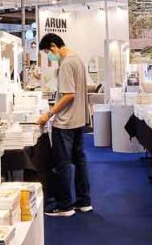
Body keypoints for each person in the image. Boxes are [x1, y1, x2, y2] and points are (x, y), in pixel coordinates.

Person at [35, 33, 92, 216]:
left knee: (63, 164)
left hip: (65, 122)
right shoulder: (78, 60)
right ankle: (84, 201)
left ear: (53, 46)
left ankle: (64, 205)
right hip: (78, 120)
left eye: (47, 52)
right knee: (80, 161)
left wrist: (49, 113)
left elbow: (69, 95)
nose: (49, 57)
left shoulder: (66, 63)